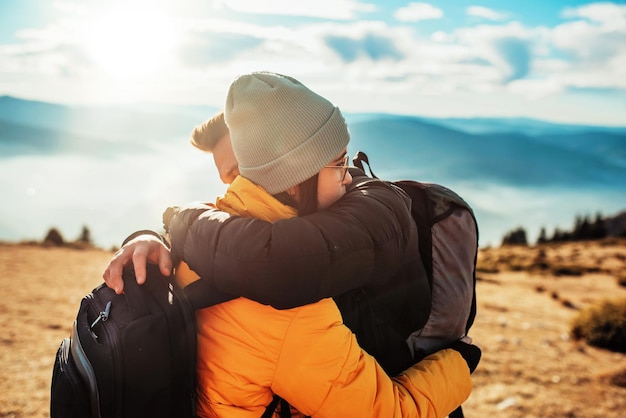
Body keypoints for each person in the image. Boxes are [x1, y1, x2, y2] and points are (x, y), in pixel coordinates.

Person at [105, 71, 476, 417]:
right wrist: (459, 359)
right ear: (296, 179)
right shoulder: (293, 314)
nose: (349, 178)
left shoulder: (196, 241)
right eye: (340, 163)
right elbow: (390, 411)